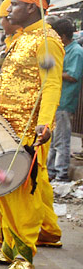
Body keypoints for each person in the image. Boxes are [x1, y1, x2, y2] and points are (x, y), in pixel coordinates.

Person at [0, 0, 63, 269]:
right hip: (4, 125)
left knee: (21, 190)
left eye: (14, 4)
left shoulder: (47, 40)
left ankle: (24, 255)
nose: (8, 10)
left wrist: (45, 123)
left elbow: (51, 85)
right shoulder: (22, 38)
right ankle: (5, 247)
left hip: (28, 129)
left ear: (31, 7)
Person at [48, 16, 81, 182]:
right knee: (53, 140)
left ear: (62, 36)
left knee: (61, 141)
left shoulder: (75, 51)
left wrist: (52, 73)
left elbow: (73, 75)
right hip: (56, 100)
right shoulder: (64, 49)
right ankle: (51, 171)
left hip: (65, 101)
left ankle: (60, 173)